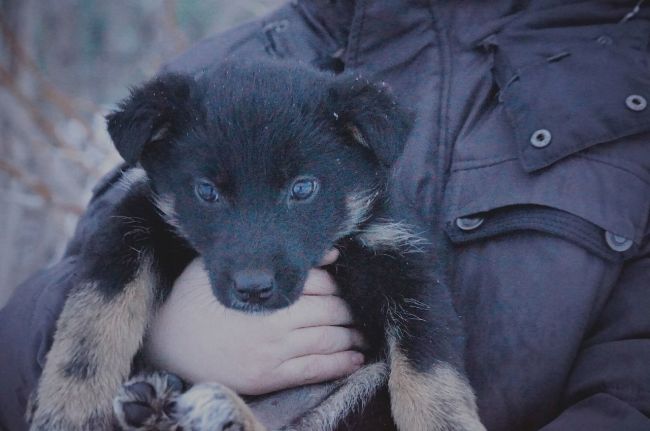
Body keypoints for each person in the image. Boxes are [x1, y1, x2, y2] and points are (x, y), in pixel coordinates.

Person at [2, 1, 650, 430]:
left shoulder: (625, 81)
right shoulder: (212, 78)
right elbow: (37, 329)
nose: (254, 263)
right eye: (210, 195)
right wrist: (159, 338)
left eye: (302, 190)